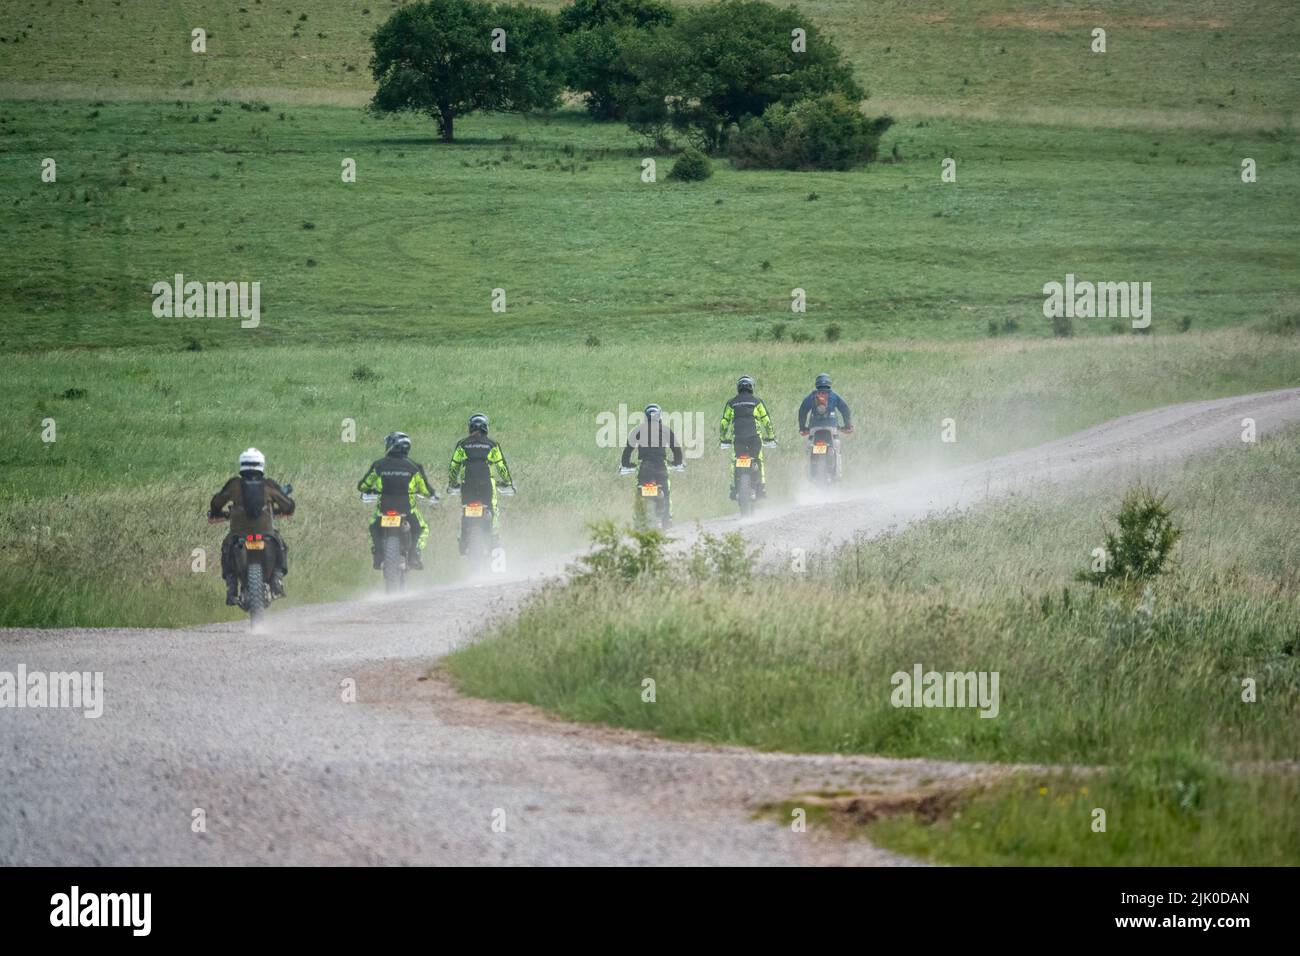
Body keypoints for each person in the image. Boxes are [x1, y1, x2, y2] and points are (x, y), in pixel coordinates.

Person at [208, 447, 295, 604]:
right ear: (261, 464)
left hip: (238, 534)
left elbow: (216, 502)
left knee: (226, 550)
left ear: (242, 464)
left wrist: (216, 513)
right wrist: (281, 510)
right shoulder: (268, 485)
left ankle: (232, 587)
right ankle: (277, 580)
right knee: (281, 546)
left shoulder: (234, 485)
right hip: (266, 533)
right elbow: (288, 506)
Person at [357, 431, 437, 570]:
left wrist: (370, 490)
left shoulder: (379, 465)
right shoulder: (414, 467)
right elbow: (425, 489)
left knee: (373, 527)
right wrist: (432, 495)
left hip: (384, 509)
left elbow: (363, 485)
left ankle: (378, 555)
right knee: (422, 528)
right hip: (407, 509)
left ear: (391, 446)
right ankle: (414, 555)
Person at [447, 413, 514, 553]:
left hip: (467, 485)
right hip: (486, 485)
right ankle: (494, 538)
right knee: (492, 508)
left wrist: (453, 483)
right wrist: (508, 482)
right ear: (486, 428)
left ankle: (464, 540)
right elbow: (501, 466)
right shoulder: (492, 445)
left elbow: (454, 466)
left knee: (465, 510)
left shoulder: (462, 445)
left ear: (470, 428)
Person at [620, 403, 685, 525]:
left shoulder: (637, 430)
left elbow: (627, 450)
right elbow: (676, 449)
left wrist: (626, 464)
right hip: (661, 466)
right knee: (666, 490)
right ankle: (667, 519)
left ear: (646, 417)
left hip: (644, 467)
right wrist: (678, 463)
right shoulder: (666, 430)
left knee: (639, 490)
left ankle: (638, 520)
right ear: (659, 416)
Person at [720, 375, 777, 499]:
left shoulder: (731, 403)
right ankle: (761, 487)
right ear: (752, 387)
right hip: (754, 438)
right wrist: (771, 437)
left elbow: (724, 422)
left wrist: (723, 438)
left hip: (738, 438)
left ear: (738, 388)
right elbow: (766, 421)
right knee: (758, 459)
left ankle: (733, 488)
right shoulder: (757, 402)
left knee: (734, 461)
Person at [797, 372, 853, 479]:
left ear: (816, 384)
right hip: (831, 428)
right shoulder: (833, 395)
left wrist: (802, 427)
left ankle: (810, 475)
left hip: (814, 428)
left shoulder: (811, 396)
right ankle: (837, 475)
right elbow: (845, 409)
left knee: (810, 449)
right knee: (836, 449)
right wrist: (847, 425)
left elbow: (802, 411)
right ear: (829, 383)